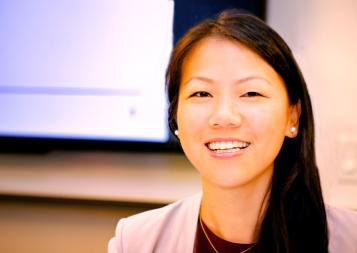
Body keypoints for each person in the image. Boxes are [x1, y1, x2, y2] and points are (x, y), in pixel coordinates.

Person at [108, 9, 357, 253]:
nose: (223, 116)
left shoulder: (350, 240)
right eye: (201, 93)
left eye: (251, 93)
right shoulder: (134, 241)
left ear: (292, 116)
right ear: (175, 118)